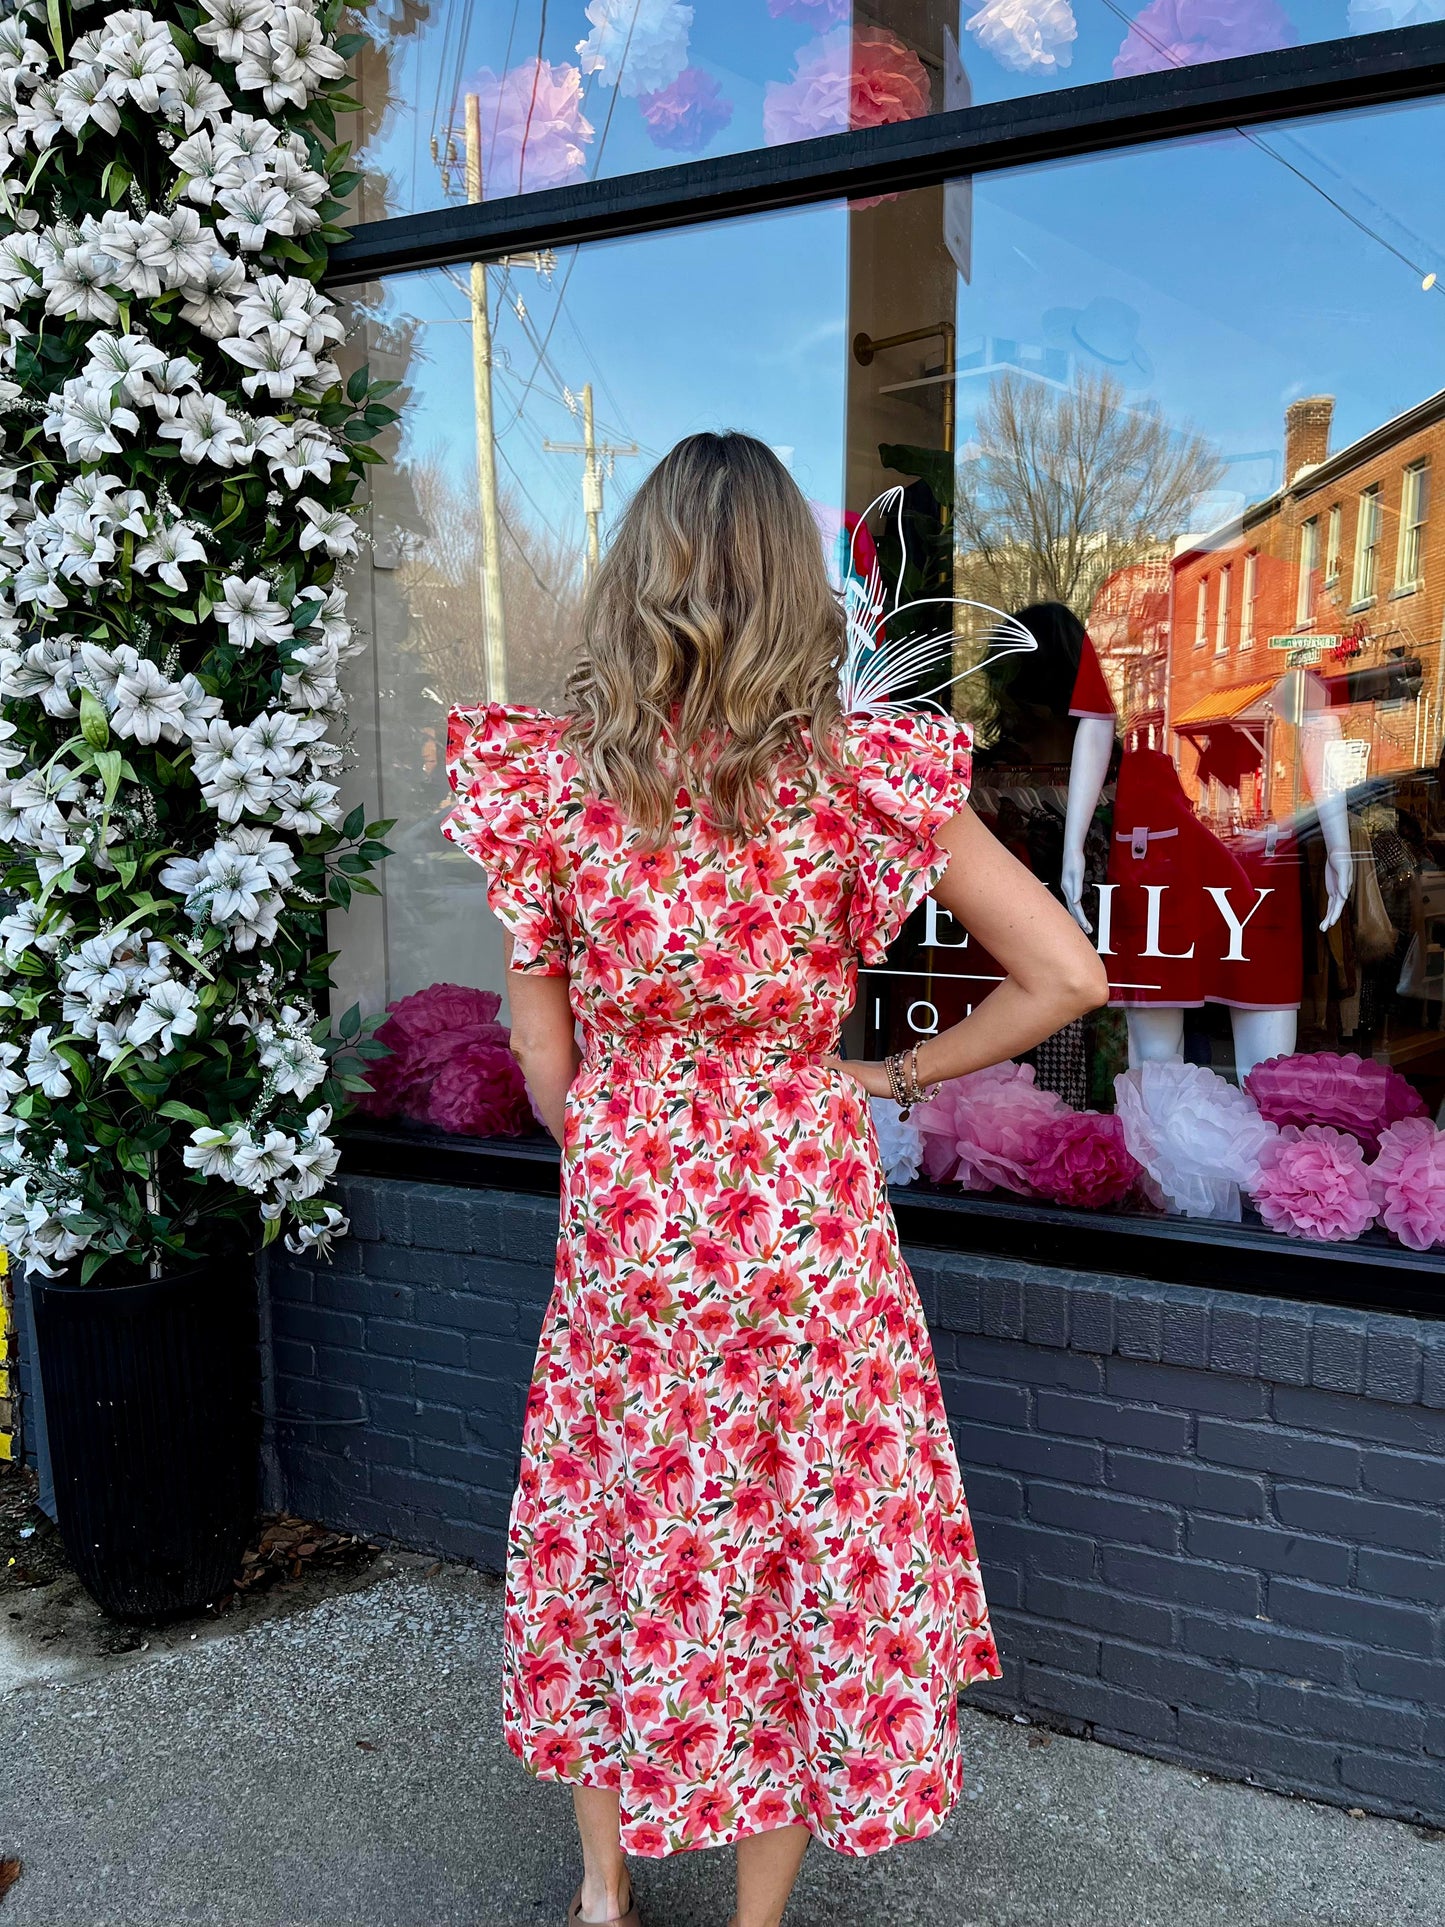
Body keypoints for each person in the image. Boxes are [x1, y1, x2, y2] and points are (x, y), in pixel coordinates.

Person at [442, 432, 1108, 1927]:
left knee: (616, 1524)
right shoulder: (858, 779)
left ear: (637, 581)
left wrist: (620, 1131)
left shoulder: (548, 783)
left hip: (630, 1208)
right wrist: (880, 1079)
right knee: (797, 1534)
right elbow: (1068, 974)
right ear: (794, 593)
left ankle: (605, 1894)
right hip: (798, 1204)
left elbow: (540, 1052)